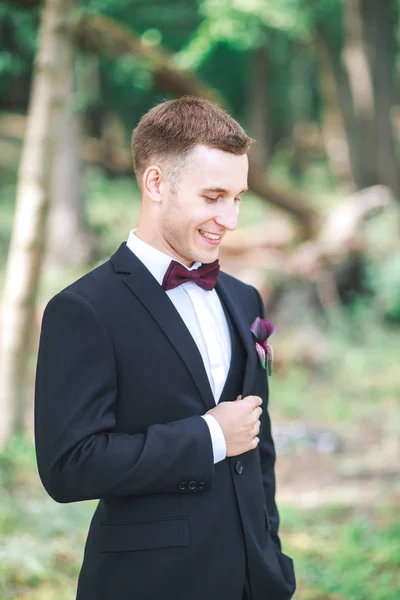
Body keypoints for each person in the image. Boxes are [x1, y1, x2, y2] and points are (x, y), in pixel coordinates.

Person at [34, 96, 296, 600]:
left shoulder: (245, 299)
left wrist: (272, 561)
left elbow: (258, 450)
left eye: (238, 197)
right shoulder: (84, 309)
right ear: (156, 183)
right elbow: (69, 466)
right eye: (214, 196)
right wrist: (208, 436)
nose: (231, 218)